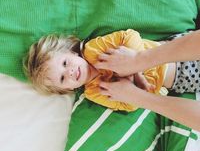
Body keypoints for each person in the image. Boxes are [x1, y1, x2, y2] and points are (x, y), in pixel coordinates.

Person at [24, 29, 176, 111]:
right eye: (62, 79)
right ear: (68, 89)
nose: (69, 72)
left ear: (71, 52)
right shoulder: (95, 92)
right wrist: (131, 85)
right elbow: (129, 105)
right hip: (175, 82)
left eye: (65, 63)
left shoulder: (94, 50)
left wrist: (135, 71)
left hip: (173, 51)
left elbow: (131, 36)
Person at [93, 30, 200, 130]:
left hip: (182, 74)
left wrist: (137, 93)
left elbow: (129, 35)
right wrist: (138, 60)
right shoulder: (92, 91)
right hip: (179, 67)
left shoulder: (94, 50)